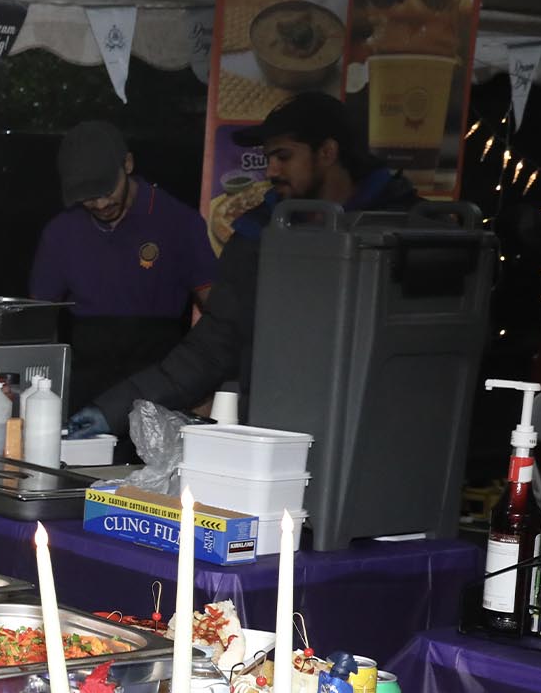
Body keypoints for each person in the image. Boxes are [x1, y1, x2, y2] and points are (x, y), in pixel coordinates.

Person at [69, 92, 420, 438]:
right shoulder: (259, 234)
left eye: (284, 156)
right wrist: (113, 410)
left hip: (386, 431)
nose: (271, 170)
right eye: (268, 158)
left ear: (327, 152)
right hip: (279, 431)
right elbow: (211, 347)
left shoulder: (412, 230)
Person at [30, 121, 216, 407]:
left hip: (159, 381)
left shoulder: (179, 222)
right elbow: (39, 320)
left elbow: (216, 310)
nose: (101, 204)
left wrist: (207, 382)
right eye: (87, 197)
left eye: (106, 190)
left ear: (127, 164)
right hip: (88, 385)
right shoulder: (60, 233)